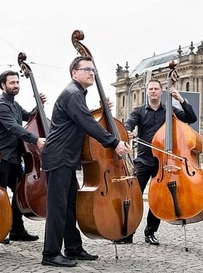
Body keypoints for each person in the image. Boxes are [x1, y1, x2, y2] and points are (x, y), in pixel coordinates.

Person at [41, 56, 131, 267]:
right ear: (74, 73)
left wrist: (100, 111)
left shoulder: (76, 94)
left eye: (93, 70)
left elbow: (82, 117)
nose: (92, 73)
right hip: (59, 157)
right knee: (58, 207)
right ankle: (50, 254)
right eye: (87, 69)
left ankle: (73, 248)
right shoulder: (72, 93)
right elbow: (88, 123)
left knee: (70, 205)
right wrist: (114, 142)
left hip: (66, 158)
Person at [121, 79, 197, 245]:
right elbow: (129, 124)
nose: (153, 91)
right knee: (134, 197)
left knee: (159, 199)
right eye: (151, 89)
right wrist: (127, 132)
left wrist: (180, 99)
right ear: (147, 92)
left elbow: (192, 117)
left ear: (161, 92)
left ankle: (150, 233)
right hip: (143, 160)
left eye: (156, 89)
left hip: (163, 163)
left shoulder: (170, 111)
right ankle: (127, 234)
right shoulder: (139, 111)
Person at [0, 70, 46, 243]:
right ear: (3, 85)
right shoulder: (0, 105)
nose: (15, 86)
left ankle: (17, 230)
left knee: (19, 191)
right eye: (12, 83)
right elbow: (14, 127)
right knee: (0, 194)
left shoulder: (14, 104)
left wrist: (39, 105)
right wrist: (35, 140)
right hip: (0, 156)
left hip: (13, 156)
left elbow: (29, 117)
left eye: (17, 82)